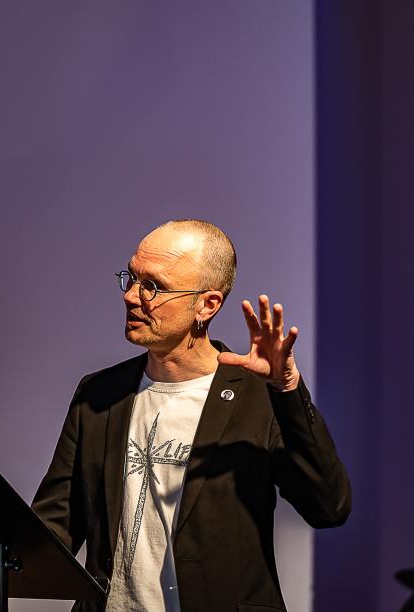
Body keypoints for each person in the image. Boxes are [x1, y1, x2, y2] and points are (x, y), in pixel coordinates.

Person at [32, 219, 351, 612]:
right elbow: (54, 526)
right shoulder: (99, 395)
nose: (132, 297)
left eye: (153, 287)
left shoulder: (258, 396)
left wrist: (286, 389)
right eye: (131, 278)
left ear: (207, 304)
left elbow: (328, 507)